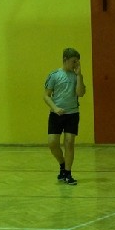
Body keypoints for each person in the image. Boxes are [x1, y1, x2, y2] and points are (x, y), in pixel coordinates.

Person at [44, 48, 86, 185]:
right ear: (65, 60)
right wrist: (55, 108)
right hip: (56, 114)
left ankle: (68, 173)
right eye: (73, 61)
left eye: (77, 62)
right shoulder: (54, 75)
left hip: (72, 114)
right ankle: (62, 164)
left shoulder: (76, 76)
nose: (75, 64)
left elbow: (80, 93)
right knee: (52, 143)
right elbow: (46, 96)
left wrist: (79, 75)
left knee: (69, 142)